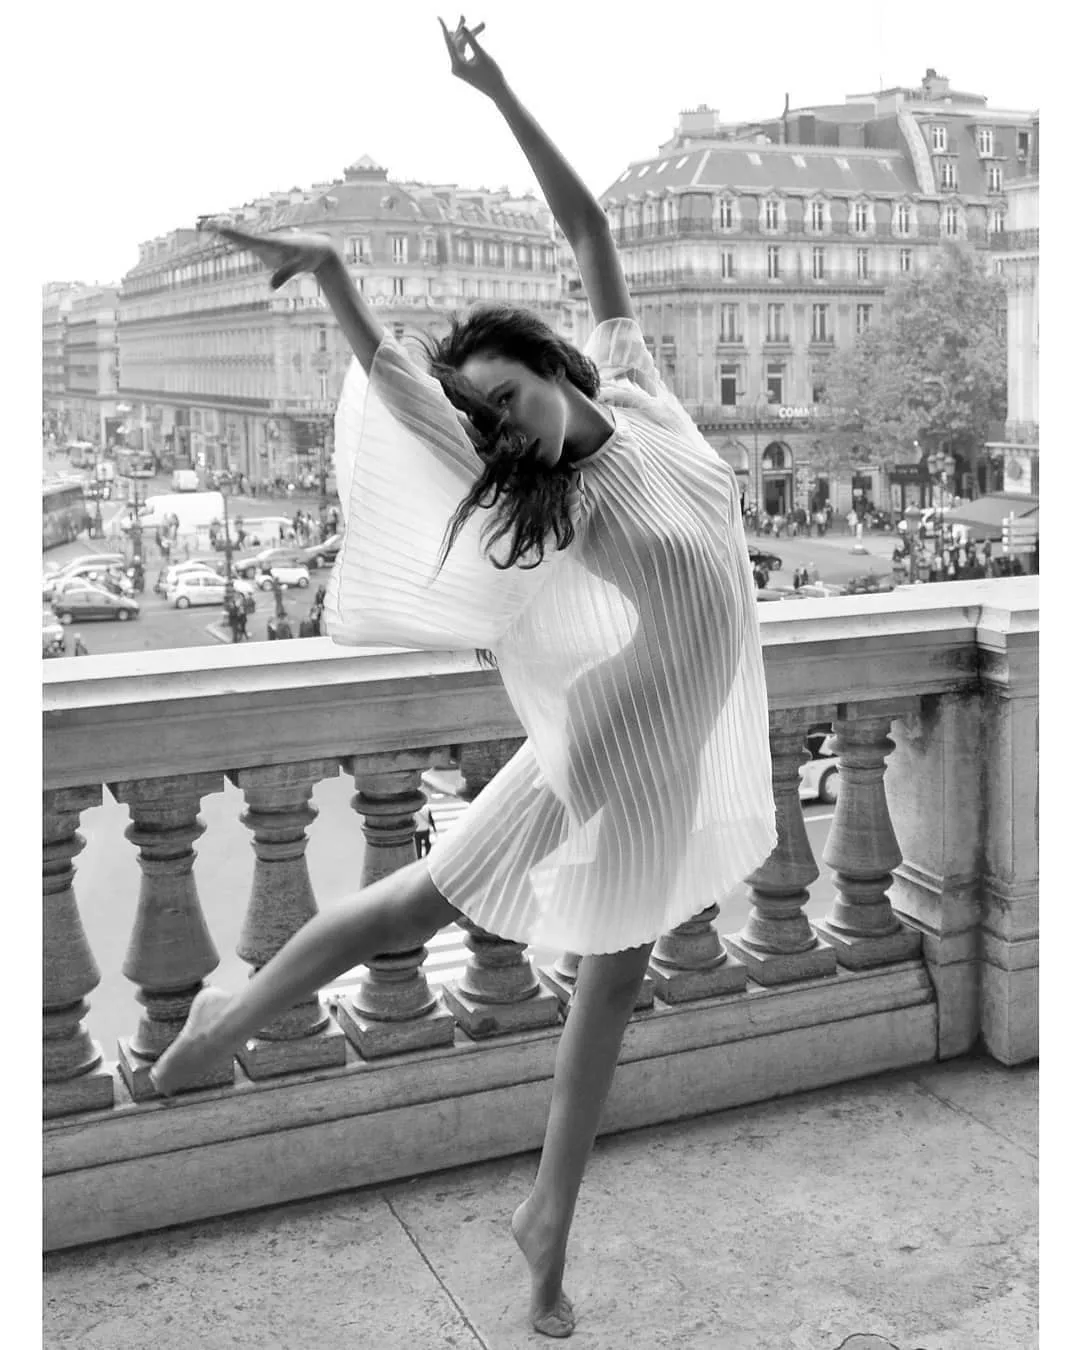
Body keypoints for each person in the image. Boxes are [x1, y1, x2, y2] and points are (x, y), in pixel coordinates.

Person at [148, 17, 777, 1341]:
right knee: (422, 902)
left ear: (555, 362)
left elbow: (591, 226)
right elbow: (408, 396)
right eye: (486, 416)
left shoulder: (648, 397)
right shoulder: (577, 495)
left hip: (677, 731)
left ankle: (547, 1224)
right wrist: (329, 272)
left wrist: (497, 88)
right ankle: (232, 1022)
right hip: (621, 731)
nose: (503, 423)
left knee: (609, 984)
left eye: (509, 392)